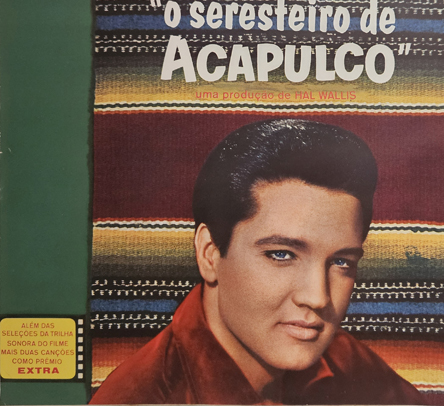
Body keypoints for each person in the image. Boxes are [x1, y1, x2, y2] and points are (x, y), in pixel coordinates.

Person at [90, 119, 424, 405]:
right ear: (209, 253)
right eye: (281, 254)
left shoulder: (344, 360)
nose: (318, 297)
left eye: (340, 262)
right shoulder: (141, 396)